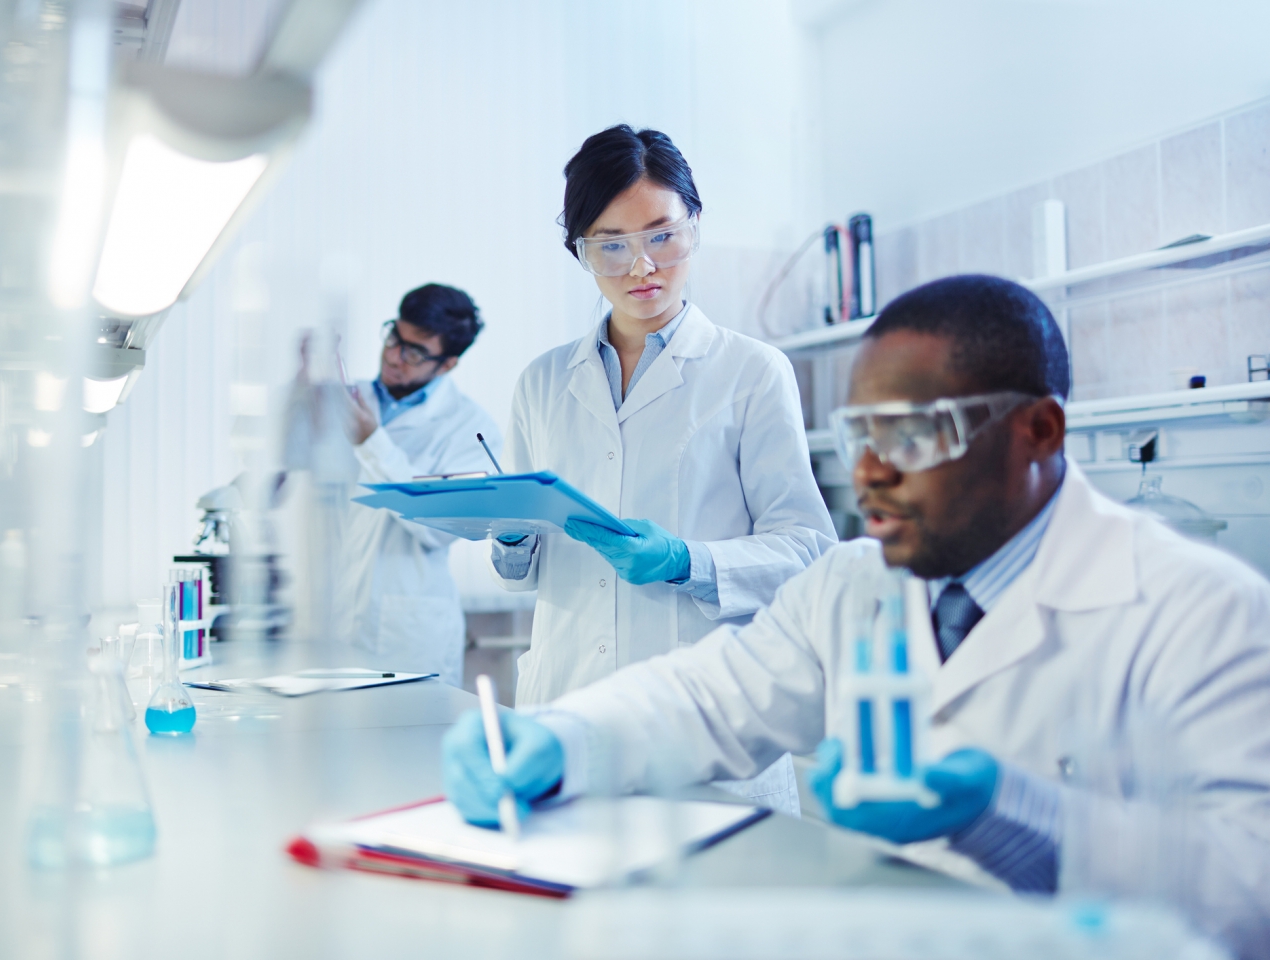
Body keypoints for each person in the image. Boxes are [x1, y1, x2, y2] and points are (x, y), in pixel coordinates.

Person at [444, 275, 1270, 958]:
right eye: (858, 434)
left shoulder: (1200, 611)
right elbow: (704, 697)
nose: (869, 472)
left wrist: (1016, 818)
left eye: (909, 434)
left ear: (1038, 431)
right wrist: (561, 738)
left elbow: (1253, 890)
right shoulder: (854, 583)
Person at [489, 123, 835, 721]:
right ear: (580, 252)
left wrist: (686, 561)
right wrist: (511, 538)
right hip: (566, 701)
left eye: (662, 235)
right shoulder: (542, 382)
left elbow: (807, 551)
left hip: (702, 708)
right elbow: (521, 577)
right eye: (611, 244)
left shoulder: (752, 371)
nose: (641, 265)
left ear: (694, 227)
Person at [287, 283, 501, 687]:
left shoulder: (470, 429)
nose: (393, 357)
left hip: (406, 638)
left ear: (448, 364)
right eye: (393, 338)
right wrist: (303, 387)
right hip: (326, 624)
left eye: (414, 352)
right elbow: (285, 463)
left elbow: (438, 528)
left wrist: (371, 441)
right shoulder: (349, 399)